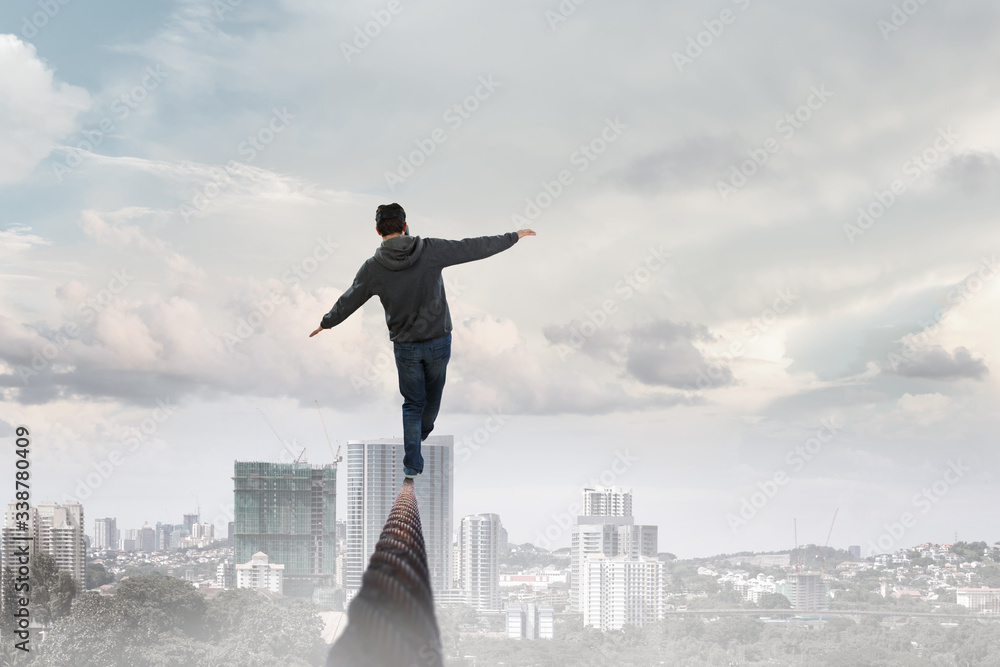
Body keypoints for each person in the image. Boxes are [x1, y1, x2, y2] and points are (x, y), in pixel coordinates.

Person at [310, 203, 535, 478]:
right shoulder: (430, 250)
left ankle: (412, 464)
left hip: (405, 346)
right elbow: (472, 247)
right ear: (405, 225)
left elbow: (350, 298)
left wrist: (326, 322)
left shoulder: (373, 268)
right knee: (433, 397)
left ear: (378, 230)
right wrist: (513, 236)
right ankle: (423, 432)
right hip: (438, 341)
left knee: (412, 404)